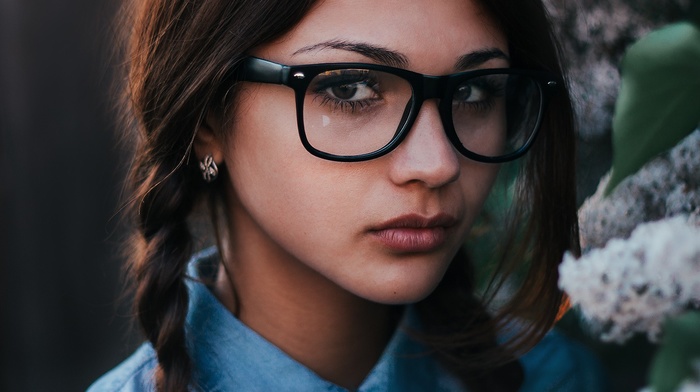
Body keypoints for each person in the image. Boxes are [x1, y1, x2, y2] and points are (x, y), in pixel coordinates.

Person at [89, 0, 606, 390]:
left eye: (473, 92)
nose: (438, 163)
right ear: (207, 121)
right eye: (351, 89)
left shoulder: (554, 377)